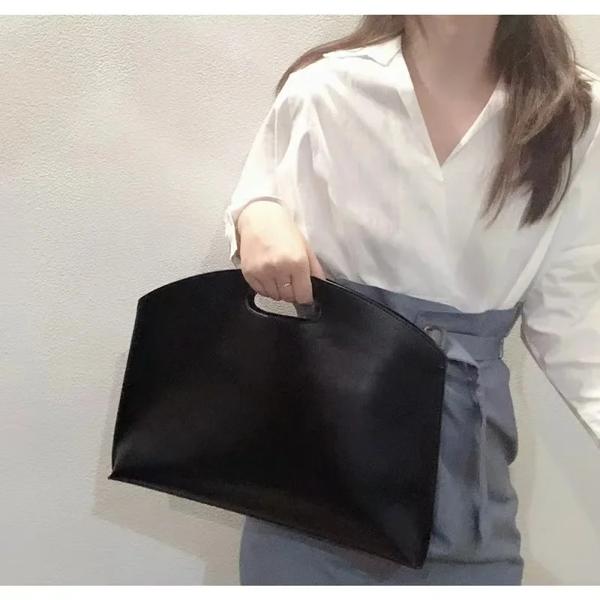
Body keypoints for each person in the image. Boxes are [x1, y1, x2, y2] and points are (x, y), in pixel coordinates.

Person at [222, 15, 600, 585]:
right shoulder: (325, 88)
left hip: (462, 485)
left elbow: (573, 319)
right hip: (315, 476)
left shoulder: (575, 115)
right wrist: (256, 216)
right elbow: (258, 195)